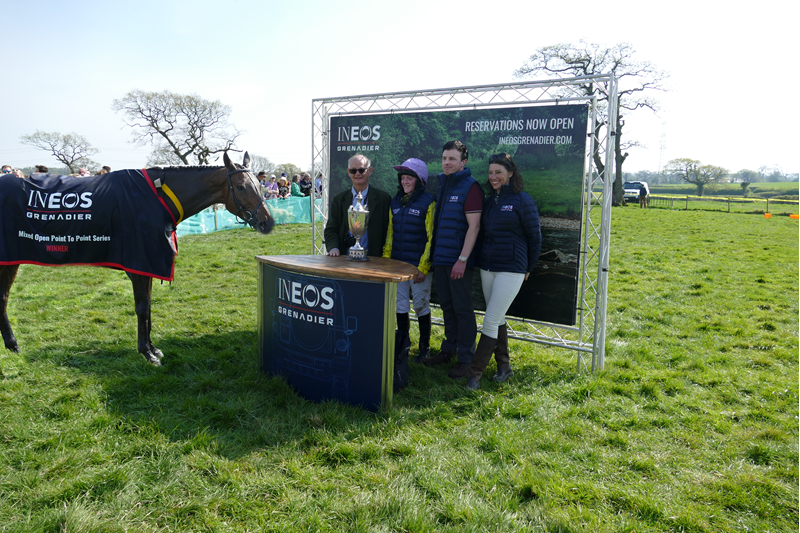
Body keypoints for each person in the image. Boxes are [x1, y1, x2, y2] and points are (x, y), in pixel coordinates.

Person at [466, 153, 541, 390]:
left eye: (498, 172)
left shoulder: (523, 200)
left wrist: (529, 267)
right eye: (490, 172)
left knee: (489, 320)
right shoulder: (489, 202)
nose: (493, 176)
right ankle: (504, 367)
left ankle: (474, 374)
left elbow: (535, 237)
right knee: (497, 318)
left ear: (510, 173)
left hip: (512, 269)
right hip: (488, 268)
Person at [424, 140, 484, 379]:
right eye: (444, 158)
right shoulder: (444, 185)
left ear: (463, 162)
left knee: (462, 309)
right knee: (447, 306)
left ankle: (466, 359)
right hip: (441, 258)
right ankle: (448, 350)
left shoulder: (471, 187)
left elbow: (474, 226)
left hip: (458, 261)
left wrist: (462, 259)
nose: (447, 162)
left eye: (452, 159)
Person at [382, 158, 436, 362]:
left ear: (419, 180)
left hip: (419, 268)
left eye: (409, 178)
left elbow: (432, 237)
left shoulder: (429, 202)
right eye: (403, 178)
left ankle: (424, 348)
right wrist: (387, 262)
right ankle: (403, 345)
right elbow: (390, 234)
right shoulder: (395, 201)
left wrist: (423, 267)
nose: (405, 182)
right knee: (400, 306)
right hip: (397, 266)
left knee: (421, 305)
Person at [324, 153, 390, 258]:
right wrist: (334, 248)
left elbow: (389, 232)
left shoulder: (384, 199)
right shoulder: (339, 200)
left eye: (362, 170)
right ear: (348, 172)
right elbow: (331, 229)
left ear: (370, 171)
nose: (357, 173)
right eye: (353, 170)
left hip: (374, 261)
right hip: (344, 260)